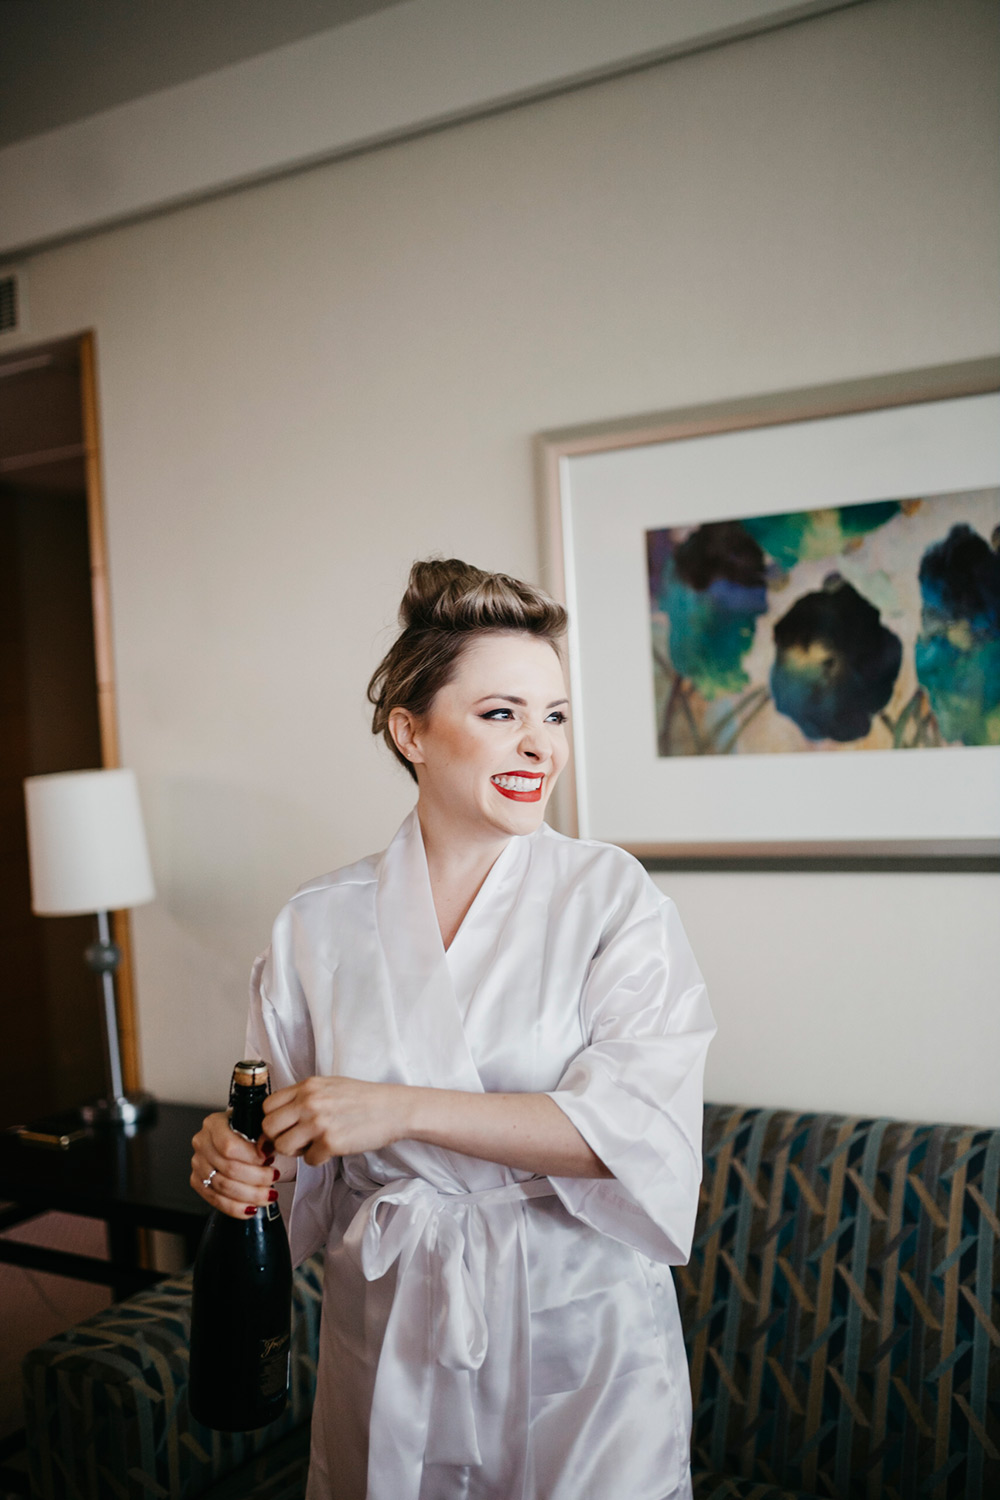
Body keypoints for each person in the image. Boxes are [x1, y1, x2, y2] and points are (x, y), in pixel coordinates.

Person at [191, 558, 716, 1500]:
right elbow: (292, 1152)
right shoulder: (316, 924)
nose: (540, 746)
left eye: (555, 716)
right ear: (412, 732)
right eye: (501, 713)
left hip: (578, 1335)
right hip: (393, 1328)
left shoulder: (611, 899)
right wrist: (237, 1163)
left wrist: (401, 1108)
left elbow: (633, 1131)